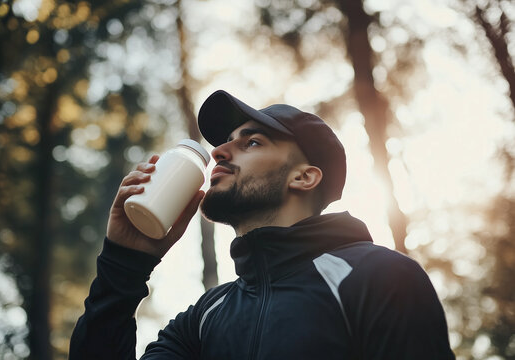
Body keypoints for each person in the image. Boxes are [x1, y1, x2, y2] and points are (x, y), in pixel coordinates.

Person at [69, 90, 455, 359]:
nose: (218, 151)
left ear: (304, 177)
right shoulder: (203, 318)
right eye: (227, 142)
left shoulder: (382, 276)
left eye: (251, 142)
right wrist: (124, 266)